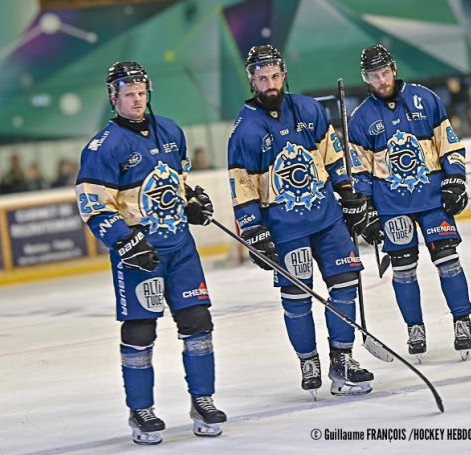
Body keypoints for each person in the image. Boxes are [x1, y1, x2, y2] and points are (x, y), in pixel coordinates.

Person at [74, 62, 226, 445]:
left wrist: (192, 202)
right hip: (139, 254)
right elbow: (93, 206)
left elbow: (178, 183)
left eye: (141, 92)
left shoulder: (171, 131)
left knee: (198, 322)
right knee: (141, 330)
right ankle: (140, 410)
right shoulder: (103, 147)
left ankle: (203, 401)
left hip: (181, 249)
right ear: (114, 98)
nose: (137, 99)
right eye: (128, 94)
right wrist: (124, 241)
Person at [228, 45, 374, 399]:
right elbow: (242, 185)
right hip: (285, 230)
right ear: (252, 81)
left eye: (275, 76)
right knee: (297, 296)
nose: (270, 84)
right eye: (262, 78)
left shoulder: (309, 109)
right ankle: (308, 360)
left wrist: (348, 193)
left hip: (327, 219)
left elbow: (333, 156)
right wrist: (252, 228)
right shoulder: (245, 130)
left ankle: (342, 359)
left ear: (283, 74)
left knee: (345, 284)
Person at [347, 44, 471, 362]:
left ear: (394, 69)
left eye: (385, 72)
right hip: (392, 207)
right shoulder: (360, 118)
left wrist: (455, 179)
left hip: (432, 201)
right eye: (374, 76)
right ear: (366, 78)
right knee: (403, 270)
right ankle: (414, 328)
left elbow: (449, 145)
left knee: (448, 261)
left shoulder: (425, 99)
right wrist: (365, 209)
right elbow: (360, 171)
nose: (381, 80)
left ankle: (462, 320)